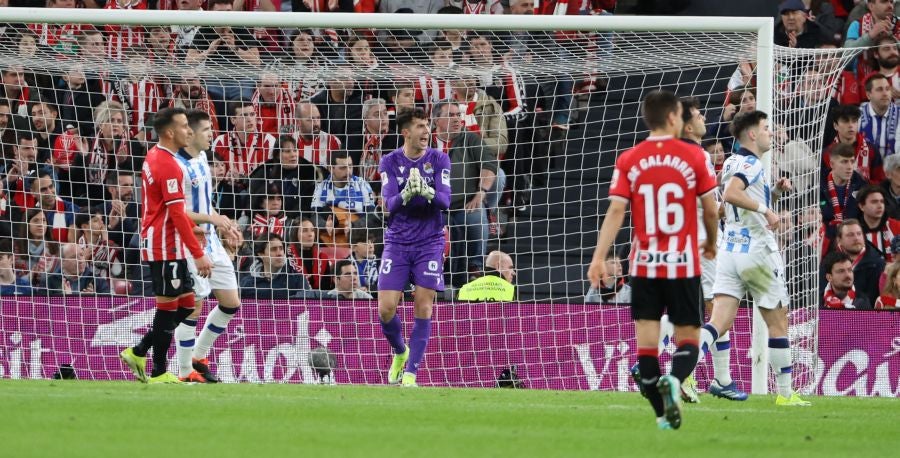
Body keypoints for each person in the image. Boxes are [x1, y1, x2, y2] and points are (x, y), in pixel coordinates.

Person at [587, 90, 720, 430]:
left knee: (646, 349)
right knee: (688, 338)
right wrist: (711, 242)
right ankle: (676, 380)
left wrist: (599, 258)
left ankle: (662, 418)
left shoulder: (629, 158)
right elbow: (710, 208)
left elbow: (616, 210)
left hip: (644, 265)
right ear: (675, 118)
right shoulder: (694, 157)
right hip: (683, 263)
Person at [698, 110, 811, 407]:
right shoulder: (749, 163)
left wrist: (772, 192)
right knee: (778, 321)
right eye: (765, 128)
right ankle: (786, 394)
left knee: (719, 321)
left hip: (730, 250)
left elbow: (724, 206)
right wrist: (767, 210)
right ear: (751, 134)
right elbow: (734, 194)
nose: (770, 133)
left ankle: (679, 370)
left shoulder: (731, 163)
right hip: (758, 251)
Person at [119, 107, 212, 385]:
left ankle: (139, 351)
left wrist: (194, 228)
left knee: (186, 303)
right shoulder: (169, 165)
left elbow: (165, 208)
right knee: (168, 309)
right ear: (170, 132)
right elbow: (175, 213)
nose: (189, 131)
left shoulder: (155, 154)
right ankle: (158, 371)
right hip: (165, 246)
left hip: (166, 241)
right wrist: (198, 254)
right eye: (185, 126)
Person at [377, 108, 452, 388]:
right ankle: (400, 352)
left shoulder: (439, 159)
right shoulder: (389, 162)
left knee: (424, 305)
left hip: (430, 242)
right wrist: (407, 192)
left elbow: (446, 201)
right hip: (397, 242)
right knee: (385, 308)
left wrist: (428, 191)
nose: (426, 131)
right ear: (406, 132)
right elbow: (389, 205)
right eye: (420, 126)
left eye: (427, 126)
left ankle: (411, 374)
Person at [172, 110, 244, 383]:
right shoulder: (176, 166)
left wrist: (223, 223)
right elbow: (176, 211)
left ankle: (199, 355)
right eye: (206, 130)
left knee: (231, 302)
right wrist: (212, 219)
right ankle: (184, 372)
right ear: (189, 134)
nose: (212, 134)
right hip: (189, 243)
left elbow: (203, 202)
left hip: (211, 239)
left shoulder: (202, 158)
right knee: (194, 306)